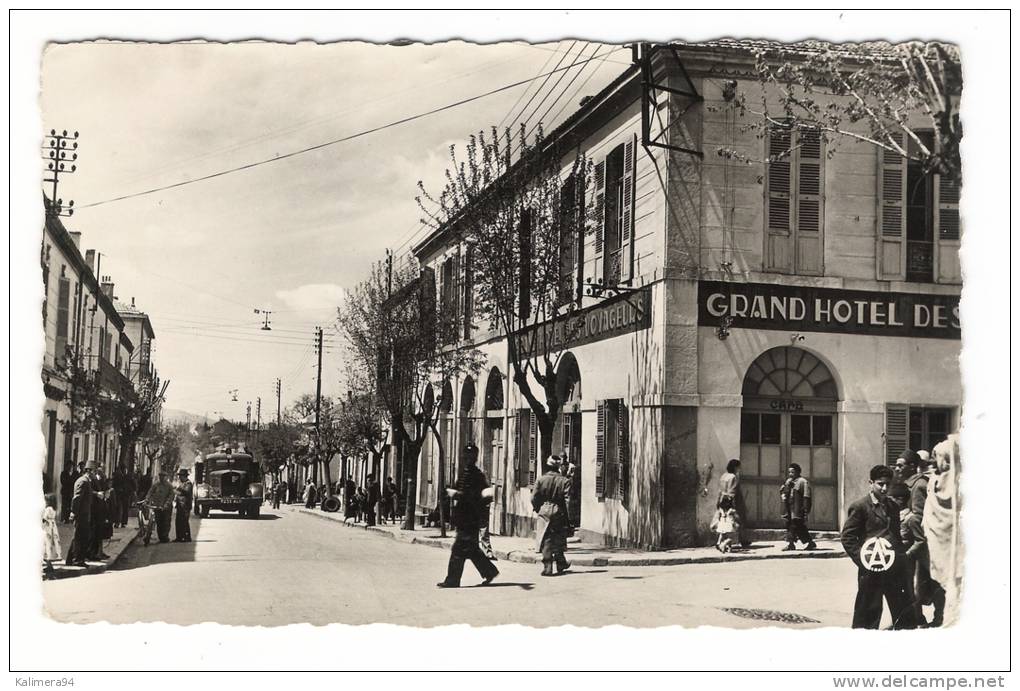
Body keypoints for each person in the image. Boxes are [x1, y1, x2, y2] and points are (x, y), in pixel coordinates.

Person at [841, 464, 915, 629]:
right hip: (871, 569)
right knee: (868, 612)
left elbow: (895, 535)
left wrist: (900, 559)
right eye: (880, 483)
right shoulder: (860, 507)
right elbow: (847, 537)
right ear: (871, 483)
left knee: (902, 610)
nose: (884, 488)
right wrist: (863, 558)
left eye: (888, 484)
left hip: (893, 567)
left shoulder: (893, 506)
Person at [436, 443, 499, 588]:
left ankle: (452, 580)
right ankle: (489, 572)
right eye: (466, 455)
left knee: (459, 550)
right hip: (464, 518)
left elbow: (481, 496)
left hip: (470, 518)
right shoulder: (465, 473)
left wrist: (457, 495)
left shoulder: (477, 475)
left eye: (470, 455)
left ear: (475, 457)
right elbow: (459, 488)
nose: (467, 458)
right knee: (471, 549)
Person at [923, 435, 961, 626]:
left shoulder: (954, 483)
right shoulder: (939, 482)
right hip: (939, 545)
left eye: (937, 456)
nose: (933, 461)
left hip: (949, 544)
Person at [531, 455, 572, 576]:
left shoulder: (540, 479)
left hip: (544, 509)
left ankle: (548, 566)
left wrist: (539, 508)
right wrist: (568, 516)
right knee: (559, 537)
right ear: (558, 467)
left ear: (547, 465)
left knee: (546, 538)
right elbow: (567, 500)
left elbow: (534, 497)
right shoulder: (565, 481)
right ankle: (560, 563)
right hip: (559, 510)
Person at [65, 460, 95, 566]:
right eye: (94, 472)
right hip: (81, 513)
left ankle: (70, 559)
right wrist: (73, 512)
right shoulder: (83, 481)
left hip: (85, 513)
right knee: (80, 537)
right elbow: (77, 498)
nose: (95, 474)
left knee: (79, 536)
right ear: (89, 471)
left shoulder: (86, 481)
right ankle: (77, 560)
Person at [780, 463, 816, 551]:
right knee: (794, 526)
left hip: (798, 508)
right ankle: (810, 543)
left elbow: (806, 496)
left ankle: (791, 544)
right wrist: (786, 486)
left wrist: (805, 509)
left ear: (798, 472)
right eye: (789, 472)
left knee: (794, 525)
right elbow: (783, 492)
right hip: (789, 508)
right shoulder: (789, 481)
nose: (790, 474)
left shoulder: (803, 482)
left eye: (793, 472)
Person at [718, 458, 752, 548]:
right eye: (738, 467)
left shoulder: (724, 476)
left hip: (723, 501)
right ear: (735, 467)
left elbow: (720, 490)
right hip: (733, 502)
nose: (739, 469)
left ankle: (721, 542)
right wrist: (732, 504)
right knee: (738, 521)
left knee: (724, 522)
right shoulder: (733, 477)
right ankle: (742, 540)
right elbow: (732, 492)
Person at [145, 471, 175, 543]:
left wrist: (166, 505)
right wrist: (147, 499)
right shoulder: (156, 485)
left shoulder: (169, 486)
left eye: (163, 476)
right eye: (160, 476)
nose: (161, 478)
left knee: (166, 522)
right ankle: (160, 536)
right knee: (158, 522)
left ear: (166, 477)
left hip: (166, 508)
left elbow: (171, 496)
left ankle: (165, 537)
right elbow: (150, 492)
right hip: (157, 506)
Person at [42, 493, 62, 575]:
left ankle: (48, 564)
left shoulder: (48, 509)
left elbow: (44, 518)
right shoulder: (54, 509)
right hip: (53, 527)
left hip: (48, 527)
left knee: (47, 544)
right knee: (52, 543)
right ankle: (49, 565)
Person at [174, 468, 194, 542]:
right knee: (178, 522)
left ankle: (186, 537)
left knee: (184, 522)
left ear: (184, 476)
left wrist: (178, 489)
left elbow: (186, 492)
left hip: (185, 505)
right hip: (180, 505)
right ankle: (179, 537)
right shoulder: (182, 483)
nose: (179, 477)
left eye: (180, 476)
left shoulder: (188, 483)